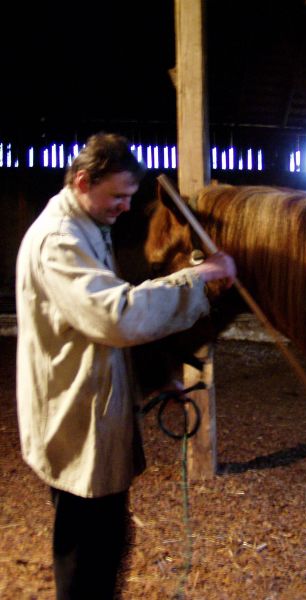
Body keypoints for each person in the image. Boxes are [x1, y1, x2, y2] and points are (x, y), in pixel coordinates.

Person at [15, 132, 236, 599]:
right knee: (86, 557)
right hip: (74, 416)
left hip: (88, 404)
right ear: (82, 182)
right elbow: (113, 316)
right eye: (117, 195)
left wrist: (155, 378)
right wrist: (198, 280)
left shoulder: (88, 226)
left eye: (130, 196)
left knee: (108, 542)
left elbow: (92, 328)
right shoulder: (59, 241)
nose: (125, 206)